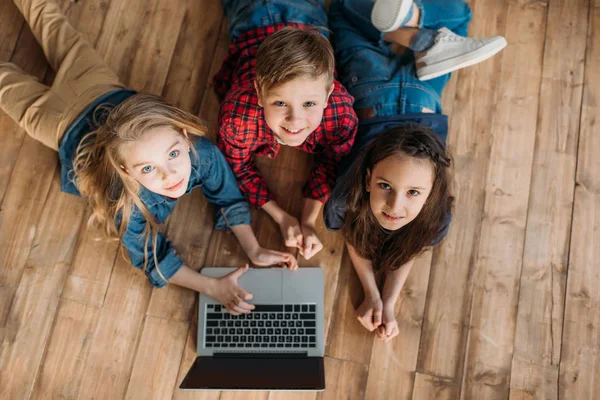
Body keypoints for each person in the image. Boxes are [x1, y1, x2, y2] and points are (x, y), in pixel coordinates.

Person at [0, 0, 297, 316]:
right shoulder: (124, 202)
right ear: (125, 169)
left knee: (47, 17)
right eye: (148, 168)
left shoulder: (202, 154)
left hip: (96, 86)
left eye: (172, 154)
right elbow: (150, 256)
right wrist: (211, 286)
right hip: (56, 121)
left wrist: (253, 248)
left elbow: (227, 194)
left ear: (185, 136)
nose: (170, 175)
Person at [324, 0, 506, 341]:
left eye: (407, 191)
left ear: (366, 177)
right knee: (457, 11)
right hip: (419, 91)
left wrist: (376, 295)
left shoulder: (342, 202)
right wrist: (385, 302)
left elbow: (356, 235)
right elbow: (406, 245)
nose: (395, 207)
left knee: (344, 8)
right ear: (434, 189)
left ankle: (421, 36)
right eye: (391, 187)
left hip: (373, 87)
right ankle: (419, 34)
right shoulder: (435, 220)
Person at [214, 0, 359, 260]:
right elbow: (238, 167)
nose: (295, 119)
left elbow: (331, 161)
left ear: (328, 95)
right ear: (259, 93)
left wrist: (308, 220)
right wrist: (281, 217)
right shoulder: (237, 119)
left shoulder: (341, 115)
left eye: (309, 103)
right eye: (280, 103)